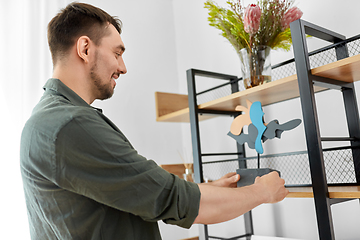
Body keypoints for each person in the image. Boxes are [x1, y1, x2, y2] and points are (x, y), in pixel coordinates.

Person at [20, 2, 288, 240]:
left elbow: (140, 190)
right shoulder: (69, 125)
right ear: (85, 48)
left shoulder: (50, 120)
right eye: (117, 53)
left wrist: (203, 189)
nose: (123, 67)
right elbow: (175, 202)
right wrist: (262, 193)